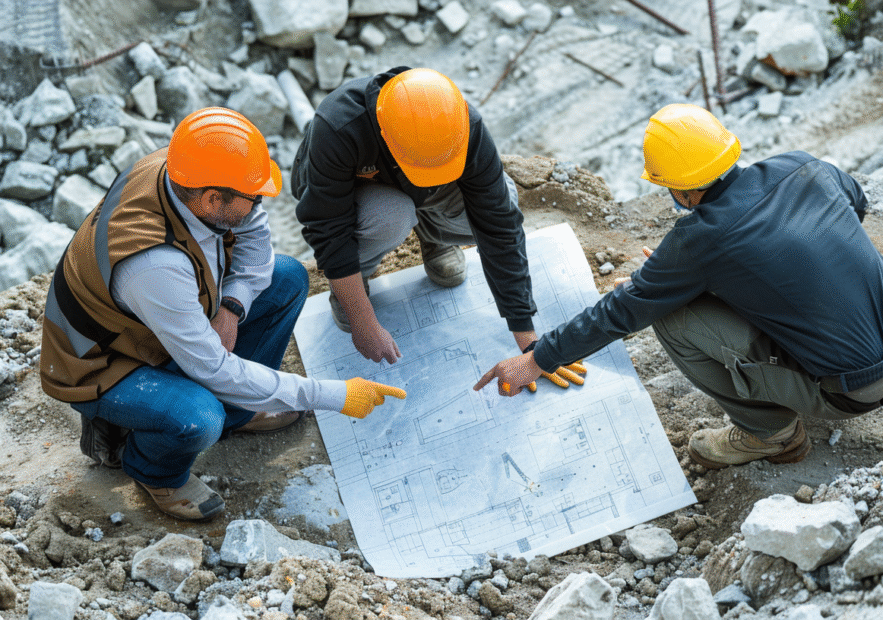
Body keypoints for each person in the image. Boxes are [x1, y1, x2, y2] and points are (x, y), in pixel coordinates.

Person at [40, 107, 405, 521]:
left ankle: (241, 412)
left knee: (285, 279)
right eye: (254, 197)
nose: (260, 204)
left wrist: (230, 308)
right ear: (214, 199)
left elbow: (257, 242)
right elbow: (213, 369)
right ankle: (148, 465)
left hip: (155, 322)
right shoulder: (154, 265)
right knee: (199, 417)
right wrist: (333, 395)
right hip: (102, 361)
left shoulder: (187, 172)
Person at [475, 103, 883, 470]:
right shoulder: (804, 166)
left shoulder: (702, 237)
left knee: (672, 316)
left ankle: (771, 434)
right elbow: (856, 206)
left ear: (684, 191)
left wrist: (537, 359)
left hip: (851, 393)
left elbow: (620, 311)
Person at [291, 65, 584, 390]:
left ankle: (435, 237)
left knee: (506, 194)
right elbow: (327, 228)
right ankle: (353, 282)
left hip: (419, 186)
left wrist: (529, 343)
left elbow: (498, 224)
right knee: (392, 213)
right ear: (386, 139)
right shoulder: (339, 127)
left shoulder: (459, 124)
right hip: (361, 199)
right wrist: (362, 318)